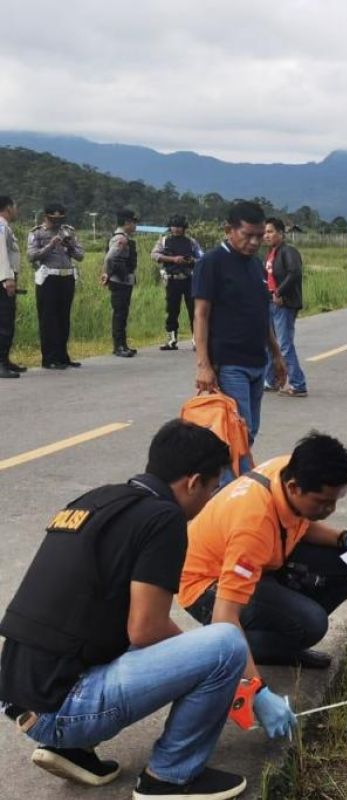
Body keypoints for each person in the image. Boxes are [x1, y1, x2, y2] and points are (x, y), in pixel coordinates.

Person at [0, 419, 262, 799]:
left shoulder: (95, 500)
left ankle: (71, 751)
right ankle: (170, 777)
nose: (211, 498)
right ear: (192, 482)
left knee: (107, 618)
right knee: (225, 646)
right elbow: (146, 630)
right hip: (62, 709)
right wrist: (225, 671)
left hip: (20, 694)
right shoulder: (164, 518)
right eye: (213, 486)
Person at [179, 432, 347, 674]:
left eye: (335, 501)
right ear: (294, 488)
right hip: (208, 586)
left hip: (259, 561)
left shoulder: (290, 470)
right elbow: (226, 613)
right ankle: (215, 648)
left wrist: (345, 538)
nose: (330, 509)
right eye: (322, 502)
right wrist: (255, 690)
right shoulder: (253, 526)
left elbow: (298, 523)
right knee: (311, 623)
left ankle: (284, 632)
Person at [193, 201, 286, 479]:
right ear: (229, 230)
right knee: (237, 434)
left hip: (258, 361)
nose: (255, 241)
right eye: (248, 235)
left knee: (249, 431)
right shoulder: (211, 263)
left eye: (259, 235)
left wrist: (277, 354)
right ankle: (233, 494)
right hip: (229, 363)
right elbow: (201, 315)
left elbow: (263, 314)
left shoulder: (256, 265)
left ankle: (226, 485)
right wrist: (204, 365)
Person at [27, 203, 84, 370]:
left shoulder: (68, 231)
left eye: (60, 219)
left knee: (63, 319)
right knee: (48, 319)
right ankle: (49, 358)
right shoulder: (37, 233)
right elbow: (31, 256)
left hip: (66, 278)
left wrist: (69, 245)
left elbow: (80, 255)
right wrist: (50, 245)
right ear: (46, 217)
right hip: (48, 279)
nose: (57, 222)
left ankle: (62, 356)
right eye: (53, 219)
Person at [262, 218, 307, 397]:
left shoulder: (288, 251)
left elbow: (294, 273)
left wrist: (279, 293)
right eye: (265, 232)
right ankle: (271, 380)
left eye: (271, 231)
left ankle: (298, 383)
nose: (267, 235)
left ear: (281, 233)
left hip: (284, 304)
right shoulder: (271, 253)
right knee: (270, 344)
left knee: (284, 345)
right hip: (271, 303)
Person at [152, 215, 203, 351]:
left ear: (184, 228)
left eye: (179, 226)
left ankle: (196, 340)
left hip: (189, 279)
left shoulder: (191, 242)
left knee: (194, 311)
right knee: (172, 311)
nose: (177, 229)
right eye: (174, 226)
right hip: (172, 279)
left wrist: (190, 261)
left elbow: (201, 258)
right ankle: (171, 340)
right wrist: (172, 259)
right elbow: (155, 255)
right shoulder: (163, 241)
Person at [102, 209, 140, 358]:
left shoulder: (124, 237)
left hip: (124, 280)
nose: (135, 226)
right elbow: (109, 258)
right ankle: (118, 346)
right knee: (119, 314)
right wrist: (108, 272)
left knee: (123, 313)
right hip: (119, 280)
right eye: (133, 223)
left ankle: (123, 344)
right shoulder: (120, 239)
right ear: (126, 223)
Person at [0, 195, 24, 378]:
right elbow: (1, 253)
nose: (16, 210)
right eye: (15, 207)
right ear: (8, 208)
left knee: (7, 321)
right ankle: (1, 364)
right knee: (4, 323)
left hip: (6, 277)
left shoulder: (5, 226)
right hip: (3, 280)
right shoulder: (1, 225)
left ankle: (5, 360)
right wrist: (7, 278)